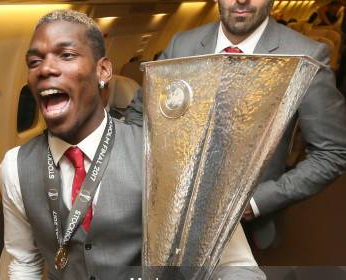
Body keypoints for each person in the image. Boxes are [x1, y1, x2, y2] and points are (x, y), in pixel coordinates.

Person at [0, 10, 265, 280]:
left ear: (103, 70)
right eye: (35, 60)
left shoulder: (165, 156)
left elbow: (241, 277)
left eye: (66, 55)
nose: (46, 67)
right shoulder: (14, 168)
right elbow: (25, 260)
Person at [125, 0, 346, 250]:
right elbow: (140, 114)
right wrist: (142, 176)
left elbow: (332, 153)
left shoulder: (305, 54)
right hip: (167, 213)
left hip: (244, 227)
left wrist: (257, 202)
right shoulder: (182, 45)